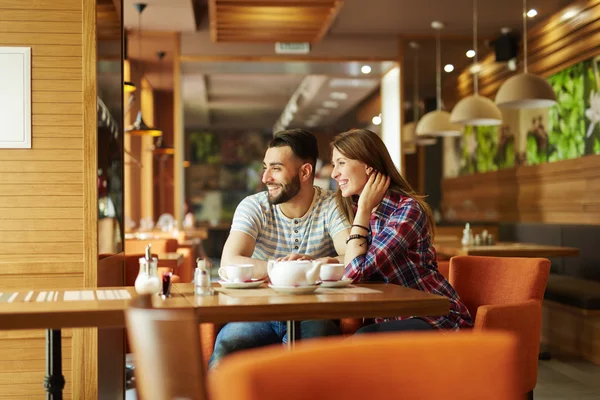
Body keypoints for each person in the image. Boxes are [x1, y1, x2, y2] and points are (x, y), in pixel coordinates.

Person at [210, 129, 350, 368]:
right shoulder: (254, 206)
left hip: (313, 314)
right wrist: (284, 268)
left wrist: (310, 265)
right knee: (226, 347)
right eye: (265, 167)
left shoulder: (331, 205)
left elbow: (352, 257)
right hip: (258, 313)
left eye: (275, 168)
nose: (265, 177)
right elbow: (230, 260)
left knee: (317, 358)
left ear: (305, 172)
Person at [330, 129, 473, 333]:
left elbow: (354, 274)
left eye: (341, 163)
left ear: (368, 165)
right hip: (390, 318)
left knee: (361, 341)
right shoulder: (357, 208)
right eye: (334, 164)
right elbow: (354, 266)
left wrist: (363, 211)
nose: (334, 173)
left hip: (434, 318)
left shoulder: (407, 210)